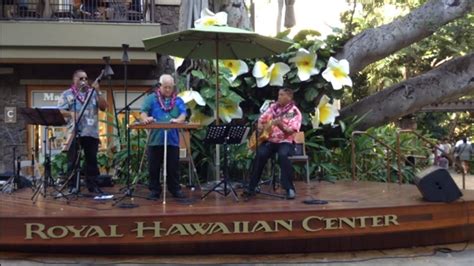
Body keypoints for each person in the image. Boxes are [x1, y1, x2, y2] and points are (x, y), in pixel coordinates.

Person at [243, 88, 302, 200]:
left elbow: (291, 131)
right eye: (279, 94)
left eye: (281, 95)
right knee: (260, 154)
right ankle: (252, 187)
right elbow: (261, 119)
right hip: (269, 140)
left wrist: (281, 125)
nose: (278, 97)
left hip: (286, 142)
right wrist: (260, 125)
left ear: (289, 97)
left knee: (283, 155)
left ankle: (289, 188)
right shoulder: (273, 108)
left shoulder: (294, 112)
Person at [58, 69, 108, 194]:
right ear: (74, 80)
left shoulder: (93, 93)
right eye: (81, 79)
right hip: (74, 132)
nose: (84, 81)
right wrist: (71, 113)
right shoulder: (67, 94)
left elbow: (103, 107)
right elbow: (60, 111)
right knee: (73, 160)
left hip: (91, 132)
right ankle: (72, 186)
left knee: (92, 160)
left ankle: (93, 185)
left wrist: (98, 90)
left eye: (86, 78)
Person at [140, 74, 187, 200]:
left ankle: (175, 189)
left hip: (172, 140)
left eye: (170, 87)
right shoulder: (152, 98)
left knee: (173, 167)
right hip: (155, 139)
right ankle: (154, 190)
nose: (168, 90)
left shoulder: (178, 100)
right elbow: (143, 112)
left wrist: (178, 120)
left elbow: (183, 114)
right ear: (159, 86)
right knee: (153, 167)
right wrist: (146, 119)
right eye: (165, 87)